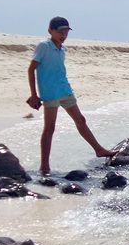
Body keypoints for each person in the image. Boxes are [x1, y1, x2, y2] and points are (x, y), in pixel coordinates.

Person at [26, 16, 115, 175]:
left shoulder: (62, 49)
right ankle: (44, 166)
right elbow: (31, 69)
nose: (63, 35)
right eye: (60, 31)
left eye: (66, 31)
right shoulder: (43, 47)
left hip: (65, 90)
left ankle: (99, 150)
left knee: (80, 120)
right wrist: (34, 95)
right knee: (49, 129)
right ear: (50, 31)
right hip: (50, 93)